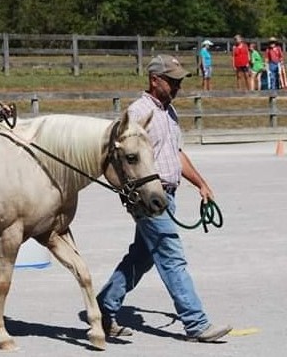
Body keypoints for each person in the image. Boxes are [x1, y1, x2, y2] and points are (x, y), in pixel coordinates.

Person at [96, 54, 232, 343]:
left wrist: (200, 184)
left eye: (179, 81)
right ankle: (196, 323)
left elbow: (176, 154)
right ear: (154, 80)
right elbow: (122, 157)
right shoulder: (138, 113)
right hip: (149, 198)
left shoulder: (169, 112)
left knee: (142, 257)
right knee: (171, 256)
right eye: (172, 81)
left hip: (168, 195)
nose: (177, 86)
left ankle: (102, 310)